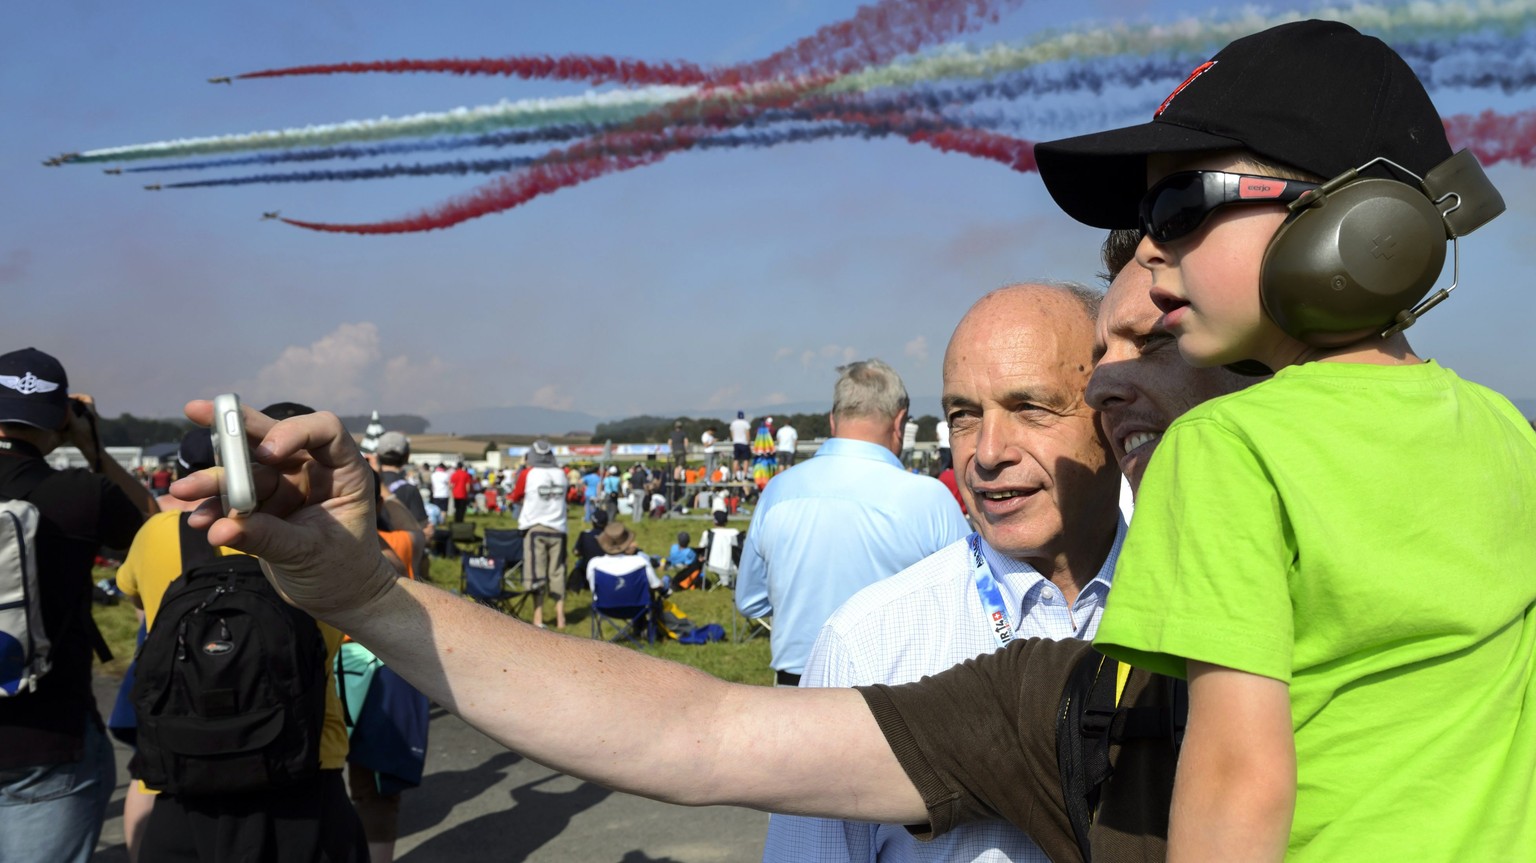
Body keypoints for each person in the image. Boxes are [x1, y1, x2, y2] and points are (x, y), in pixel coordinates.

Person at [1034, 20, 1536, 860]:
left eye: (1179, 207)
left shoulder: (1226, 448)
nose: (1148, 249)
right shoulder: (1507, 430)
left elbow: (1237, 781)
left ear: (1350, 219)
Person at [763, 282, 1126, 863]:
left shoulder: (1209, 604)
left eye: (1030, 408)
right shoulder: (864, 643)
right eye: (963, 416)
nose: (987, 453)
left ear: (1116, 411)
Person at [117, 402, 369, 862]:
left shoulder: (158, 533)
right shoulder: (337, 544)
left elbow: (138, 606)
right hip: (307, 768)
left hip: (185, 765)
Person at [0, 348, 153, 863]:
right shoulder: (81, 493)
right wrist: (93, 448)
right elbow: (153, 527)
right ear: (63, 415)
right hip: (47, 736)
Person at [735, 359, 969, 685]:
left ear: (833, 419)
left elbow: (750, 600)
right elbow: (974, 601)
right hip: (894, 691)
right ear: (899, 421)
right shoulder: (930, 499)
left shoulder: (778, 491)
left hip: (795, 689)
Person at [514, 439, 569, 630]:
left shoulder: (528, 473)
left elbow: (516, 495)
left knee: (536, 573)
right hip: (558, 527)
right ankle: (560, 616)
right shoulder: (561, 473)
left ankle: (538, 616)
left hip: (535, 526)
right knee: (558, 571)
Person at [375, 431, 431, 578]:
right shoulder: (409, 489)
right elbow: (422, 530)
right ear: (406, 456)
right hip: (404, 557)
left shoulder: (368, 483)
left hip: (372, 552)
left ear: (378, 456)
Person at [569, 508, 608, 595]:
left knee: (579, 564)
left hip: (587, 566)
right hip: (607, 569)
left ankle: (574, 588)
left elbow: (576, 552)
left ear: (592, 522)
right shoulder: (611, 537)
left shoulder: (585, 535)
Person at [728, 410, 751, 480]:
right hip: (744, 443)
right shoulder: (745, 423)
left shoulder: (734, 423)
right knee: (746, 460)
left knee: (736, 459)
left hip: (736, 442)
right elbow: (747, 433)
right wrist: (748, 442)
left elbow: (732, 433)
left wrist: (734, 440)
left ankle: (735, 475)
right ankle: (745, 475)